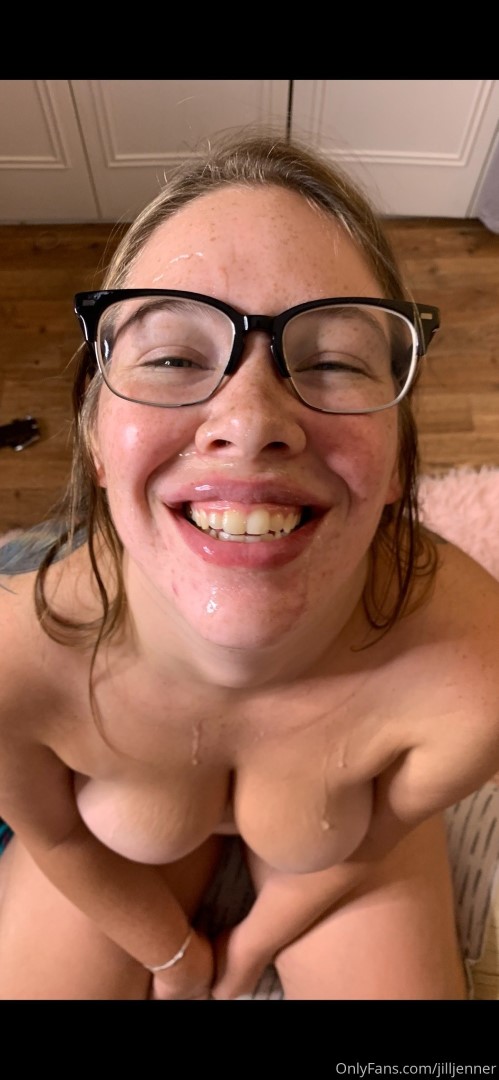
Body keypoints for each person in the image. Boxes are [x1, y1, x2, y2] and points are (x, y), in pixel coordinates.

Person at [1, 126, 499, 1002]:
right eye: (172, 357)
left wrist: (239, 956)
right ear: (97, 442)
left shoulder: (475, 671)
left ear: (395, 463)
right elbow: (61, 837)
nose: (250, 420)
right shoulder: (13, 661)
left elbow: (373, 838)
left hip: (331, 863)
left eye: (332, 361)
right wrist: (172, 956)